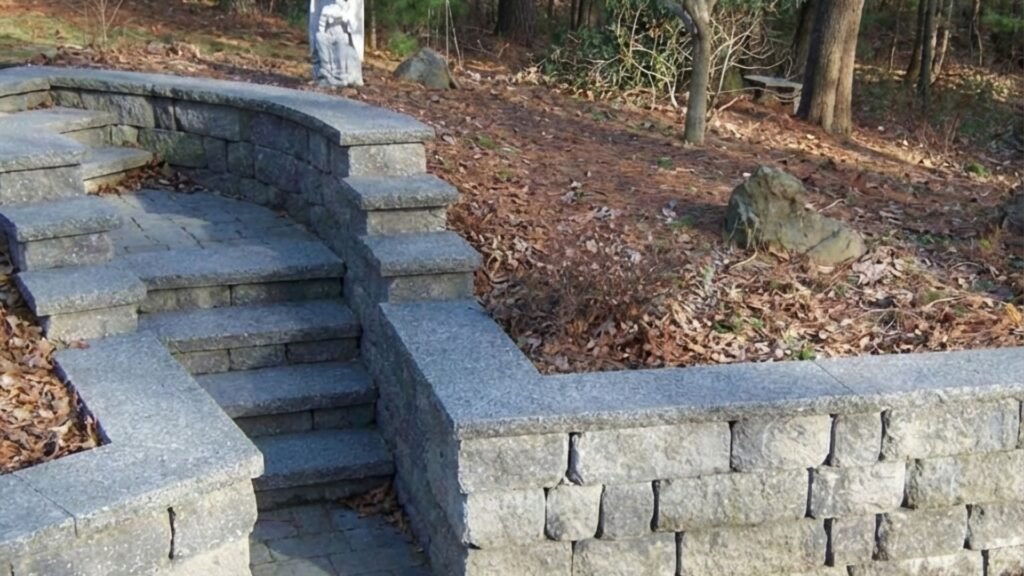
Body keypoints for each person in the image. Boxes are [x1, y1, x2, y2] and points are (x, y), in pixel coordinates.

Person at [310, 0, 363, 86]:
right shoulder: (326, 9)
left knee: (343, 43)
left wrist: (342, 15)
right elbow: (320, 24)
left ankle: (343, 75)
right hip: (328, 34)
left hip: (342, 33)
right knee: (321, 39)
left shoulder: (345, 7)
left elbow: (351, 20)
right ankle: (326, 74)